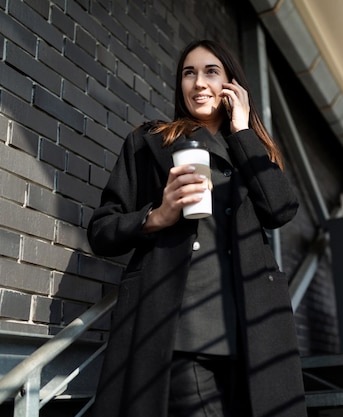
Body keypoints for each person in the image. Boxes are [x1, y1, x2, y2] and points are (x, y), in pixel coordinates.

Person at [87, 39, 307, 417]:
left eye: (211, 72)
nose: (199, 83)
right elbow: (102, 229)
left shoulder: (253, 151)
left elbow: (280, 210)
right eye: (189, 73)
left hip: (253, 335)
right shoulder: (150, 142)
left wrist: (241, 130)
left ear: (232, 86)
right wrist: (157, 215)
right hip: (181, 330)